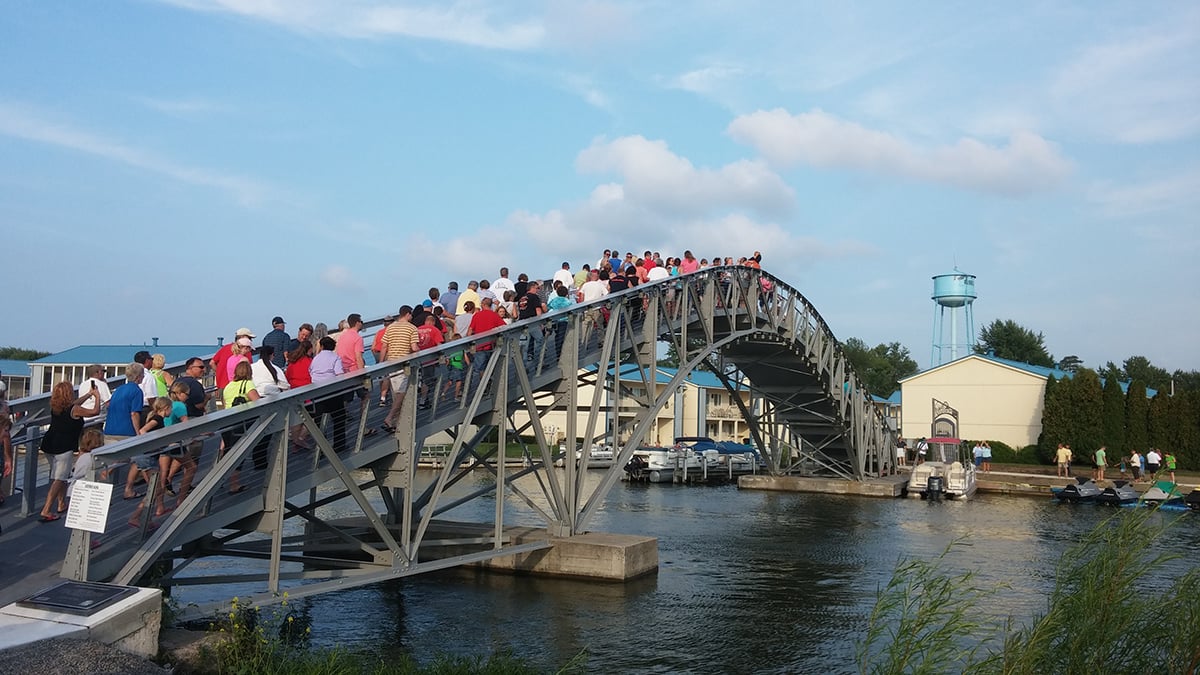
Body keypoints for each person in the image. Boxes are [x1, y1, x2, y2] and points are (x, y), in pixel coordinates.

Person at [39, 381, 102, 521]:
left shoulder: (55, 407)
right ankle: (46, 510)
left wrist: (88, 394)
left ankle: (61, 503)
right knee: (60, 478)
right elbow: (95, 411)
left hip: (49, 443)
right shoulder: (74, 409)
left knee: (58, 476)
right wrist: (97, 397)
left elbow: (75, 404)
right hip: (64, 446)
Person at [222, 360, 261, 493]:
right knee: (239, 453)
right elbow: (257, 401)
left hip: (227, 422)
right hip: (241, 423)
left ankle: (219, 480)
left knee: (228, 451)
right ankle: (234, 484)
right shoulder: (248, 384)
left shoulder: (229, 385)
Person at [380, 306, 419, 432]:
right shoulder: (412, 328)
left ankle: (395, 422)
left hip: (391, 362)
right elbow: (414, 347)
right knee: (401, 394)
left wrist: (381, 363)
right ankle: (389, 418)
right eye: (411, 315)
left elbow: (384, 346)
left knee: (396, 394)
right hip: (404, 363)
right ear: (408, 314)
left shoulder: (390, 327)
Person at [212, 327, 256, 391]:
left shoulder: (225, 348)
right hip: (237, 387)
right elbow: (248, 371)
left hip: (222, 386)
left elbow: (212, 362)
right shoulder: (246, 354)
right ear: (243, 337)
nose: (251, 340)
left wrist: (219, 373)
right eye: (249, 338)